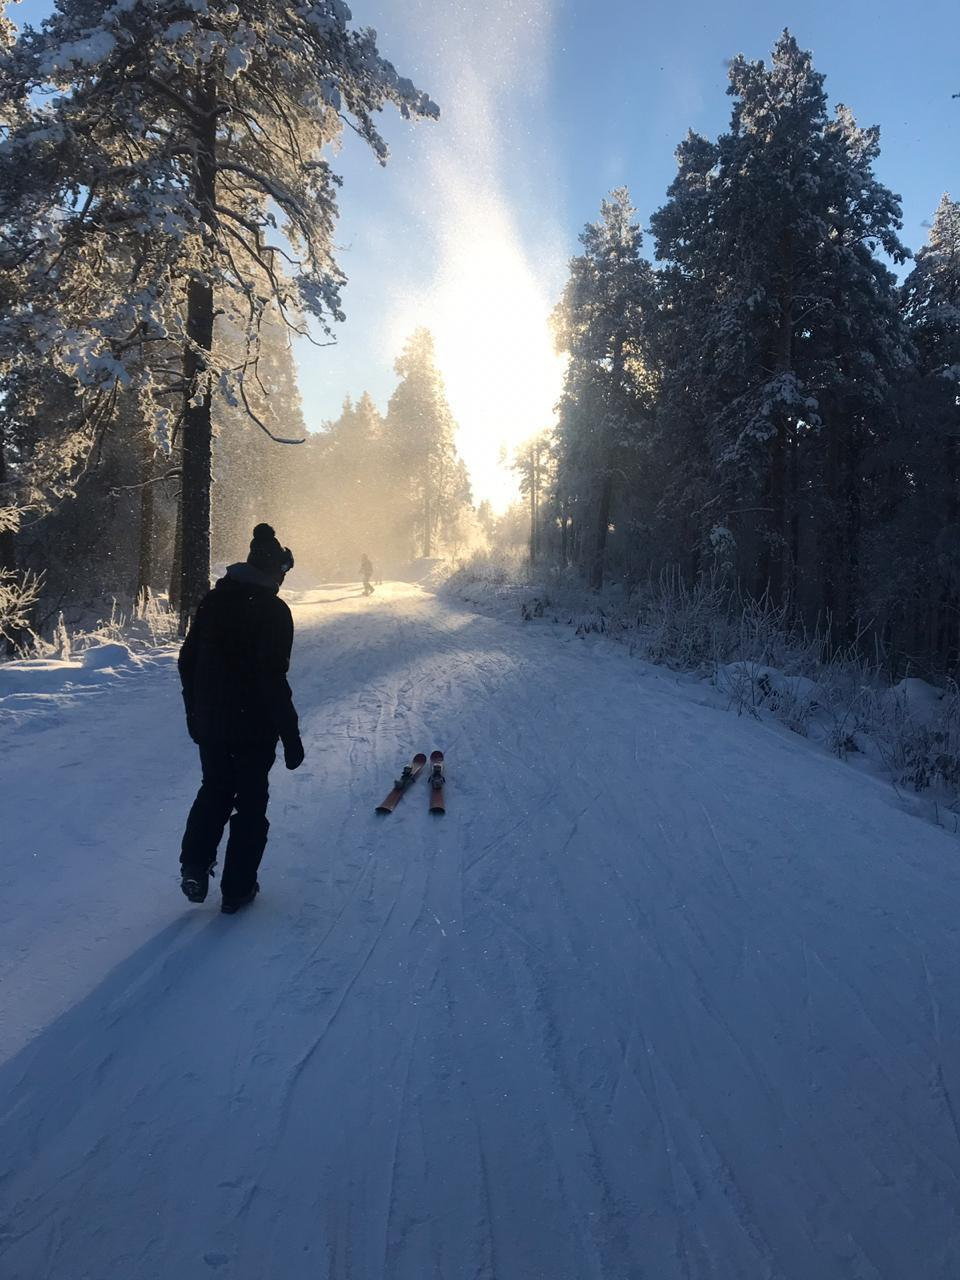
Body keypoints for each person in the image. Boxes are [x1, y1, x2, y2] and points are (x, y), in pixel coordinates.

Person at [178, 523, 304, 913]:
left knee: (215, 789)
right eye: (282, 573)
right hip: (253, 727)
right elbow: (271, 677)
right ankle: (237, 889)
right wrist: (290, 735)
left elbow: (187, 661)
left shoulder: (213, 601)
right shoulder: (273, 611)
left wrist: (195, 713)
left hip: (213, 722)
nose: (283, 581)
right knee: (250, 803)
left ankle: (195, 865)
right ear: (273, 572)